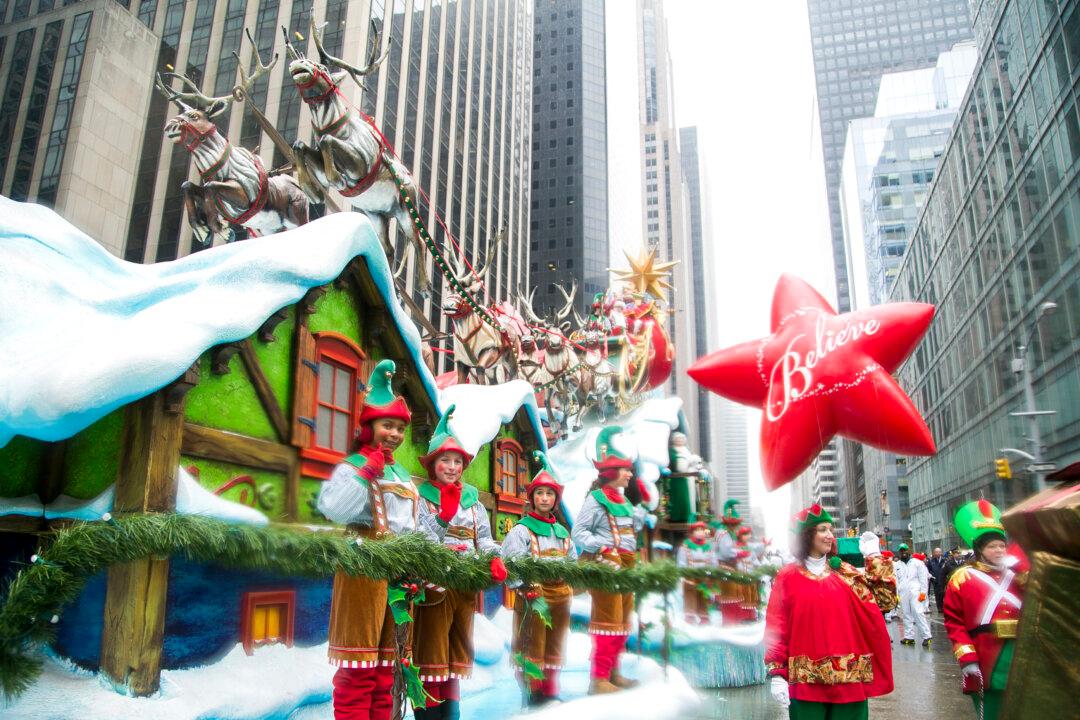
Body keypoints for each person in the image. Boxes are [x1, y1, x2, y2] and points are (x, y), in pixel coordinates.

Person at [316, 359, 418, 720]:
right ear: (369, 425)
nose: (394, 434)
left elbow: (410, 526)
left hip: (396, 577)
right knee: (357, 668)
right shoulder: (354, 465)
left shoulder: (403, 474)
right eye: (388, 425)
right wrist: (365, 473)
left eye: (400, 428)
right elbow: (335, 510)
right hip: (362, 571)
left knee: (385, 670)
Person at [413, 405, 507, 720]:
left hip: (464, 590)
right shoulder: (421, 497)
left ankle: (451, 713)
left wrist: (494, 558)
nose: (452, 467)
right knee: (430, 654)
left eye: (457, 461)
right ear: (432, 465)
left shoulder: (473, 501)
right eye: (445, 460)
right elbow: (420, 541)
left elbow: (486, 539)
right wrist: (443, 516)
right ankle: (427, 715)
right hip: (433, 589)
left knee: (455, 654)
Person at [765, 504, 896, 719]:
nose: (830, 536)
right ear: (806, 536)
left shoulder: (846, 573)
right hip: (806, 682)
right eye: (823, 530)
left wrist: (874, 558)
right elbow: (776, 627)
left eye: (831, 530)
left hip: (850, 680)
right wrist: (777, 673)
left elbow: (885, 601)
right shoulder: (787, 577)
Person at [571, 426, 647, 694]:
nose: (630, 474)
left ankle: (614, 672)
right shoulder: (596, 499)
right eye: (626, 469)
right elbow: (578, 533)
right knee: (606, 621)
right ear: (611, 472)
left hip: (626, 566)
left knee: (623, 620)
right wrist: (602, 549)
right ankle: (598, 678)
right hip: (606, 566)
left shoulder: (625, 502)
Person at [500, 452, 576, 707]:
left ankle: (550, 691)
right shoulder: (521, 530)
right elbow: (510, 566)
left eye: (550, 494)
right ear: (531, 497)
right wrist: (523, 585)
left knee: (555, 646)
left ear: (556, 499)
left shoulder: (563, 532)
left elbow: (572, 563)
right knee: (532, 646)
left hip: (561, 597)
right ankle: (532, 696)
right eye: (540, 493)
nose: (545, 498)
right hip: (535, 598)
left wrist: (570, 582)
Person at [943, 500, 1025, 720]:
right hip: (986, 652)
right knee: (992, 711)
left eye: (1001, 546)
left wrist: (1021, 568)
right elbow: (953, 622)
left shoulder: (1018, 575)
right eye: (992, 546)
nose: (998, 550)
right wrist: (967, 658)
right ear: (979, 550)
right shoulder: (962, 577)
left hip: (1021, 650)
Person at [676, 517, 716, 625]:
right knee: (690, 597)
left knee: (703, 597)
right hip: (690, 577)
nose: (700, 533)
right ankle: (690, 618)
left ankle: (704, 618)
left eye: (702, 530)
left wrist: (712, 574)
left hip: (705, 577)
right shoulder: (685, 546)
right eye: (697, 530)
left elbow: (713, 562)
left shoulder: (709, 547)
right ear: (692, 532)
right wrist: (684, 573)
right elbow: (681, 562)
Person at [894, 543, 931, 647]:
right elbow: (896, 580)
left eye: (904, 550)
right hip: (903, 592)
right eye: (901, 550)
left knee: (918, 612)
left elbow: (923, 578)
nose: (903, 552)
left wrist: (923, 593)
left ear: (908, 550)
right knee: (906, 614)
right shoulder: (897, 565)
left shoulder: (917, 563)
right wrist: (897, 594)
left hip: (916, 591)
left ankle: (926, 636)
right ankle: (909, 636)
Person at [926, 547, 947, 613]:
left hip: (944, 581)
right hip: (936, 581)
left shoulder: (945, 560)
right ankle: (940, 608)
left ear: (941, 553)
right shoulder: (931, 561)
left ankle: (946, 607)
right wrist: (932, 578)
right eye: (936, 552)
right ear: (934, 553)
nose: (938, 553)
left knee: (945, 595)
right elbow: (928, 571)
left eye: (939, 552)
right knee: (938, 595)